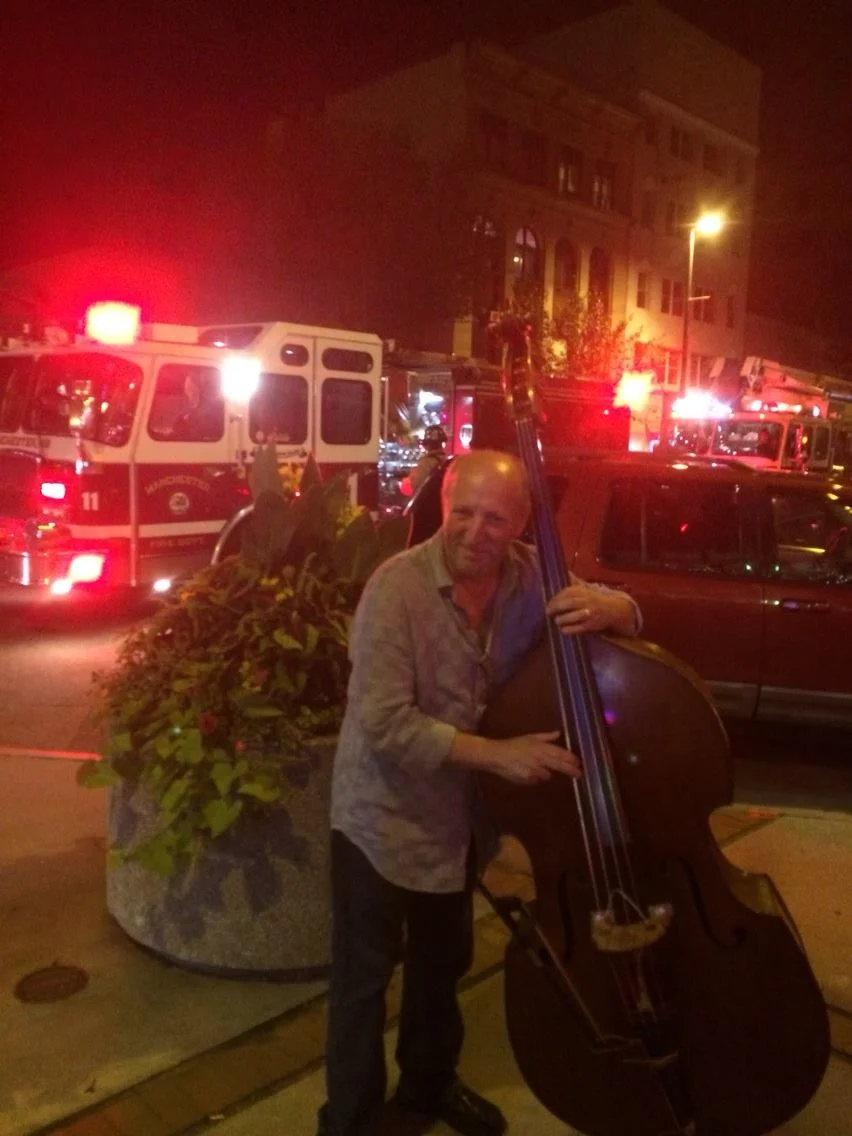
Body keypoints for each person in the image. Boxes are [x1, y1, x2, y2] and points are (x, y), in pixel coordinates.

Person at [318, 449, 641, 1136]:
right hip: (380, 819)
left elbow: (610, 609)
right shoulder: (395, 588)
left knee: (441, 970)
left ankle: (429, 1087)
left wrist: (618, 606)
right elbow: (385, 724)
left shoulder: (531, 576)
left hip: (460, 824)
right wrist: (500, 756)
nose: (474, 532)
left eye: (494, 519)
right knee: (362, 985)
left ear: (522, 521)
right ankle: (348, 1121)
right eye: (462, 513)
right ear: (443, 505)